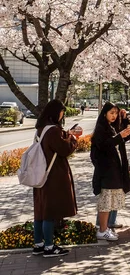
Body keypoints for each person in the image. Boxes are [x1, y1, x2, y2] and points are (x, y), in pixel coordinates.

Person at [32, 100, 78, 258]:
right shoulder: (52, 130)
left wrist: (66, 134)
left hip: (40, 175)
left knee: (40, 210)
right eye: (61, 112)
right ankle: (49, 247)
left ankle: (38, 244)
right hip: (53, 176)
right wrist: (73, 139)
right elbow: (64, 149)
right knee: (49, 212)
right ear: (55, 112)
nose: (62, 114)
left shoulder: (40, 129)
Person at [91, 102, 130, 241]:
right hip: (106, 171)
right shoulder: (100, 129)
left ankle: (105, 227)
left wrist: (125, 124)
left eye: (115, 113)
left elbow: (121, 138)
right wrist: (119, 136)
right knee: (105, 201)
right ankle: (102, 230)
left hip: (113, 170)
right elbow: (105, 146)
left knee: (109, 202)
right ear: (104, 114)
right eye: (111, 113)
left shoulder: (110, 127)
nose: (114, 116)